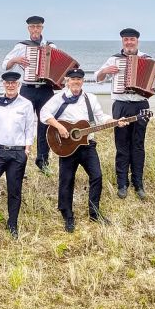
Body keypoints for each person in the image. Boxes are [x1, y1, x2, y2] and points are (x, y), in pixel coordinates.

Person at [40, 68, 127, 232]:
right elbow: (44, 114)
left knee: (97, 176)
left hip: (87, 145)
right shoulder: (58, 98)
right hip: (66, 145)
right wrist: (59, 127)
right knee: (66, 180)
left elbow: (101, 118)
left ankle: (94, 213)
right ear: (67, 81)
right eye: (73, 79)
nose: (76, 82)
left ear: (83, 81)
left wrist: (116, 121)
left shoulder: (90, 98)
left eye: (79, 79)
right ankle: (67, 215)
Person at [94, 28, 155, 199]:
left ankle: (138, 183)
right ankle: (122, 183)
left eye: (132, 39)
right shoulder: (114, 59)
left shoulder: (147, 59)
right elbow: (97, 78)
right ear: (122, 41)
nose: (129, 42)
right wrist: (104, 72)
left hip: (141, 104)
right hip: (120, 105)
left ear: (137, 41)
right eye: (126, 40)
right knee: (121, 146)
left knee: (138, 145)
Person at [0, 71, 37, 238]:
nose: (10, 85)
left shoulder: (26, 104)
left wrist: (27, 148)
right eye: (7, 83)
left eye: (14, 83)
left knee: (14, 190)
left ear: (18, 85)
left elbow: (30, 127)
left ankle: (12, 223)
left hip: (17, 152)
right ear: (3, 84)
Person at [1, 16, 58, 174]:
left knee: (45, 125)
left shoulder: (51, 46)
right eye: (32, 27)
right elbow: (5, 65)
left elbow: (58, 67)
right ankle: (18, 163)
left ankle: (43, 162)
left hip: (46, 89)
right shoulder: (21, 46)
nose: (35, 30)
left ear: (42, 28)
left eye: (38, 27)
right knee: (22, 123)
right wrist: (15, 59)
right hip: (28, 88)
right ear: (28, 28)